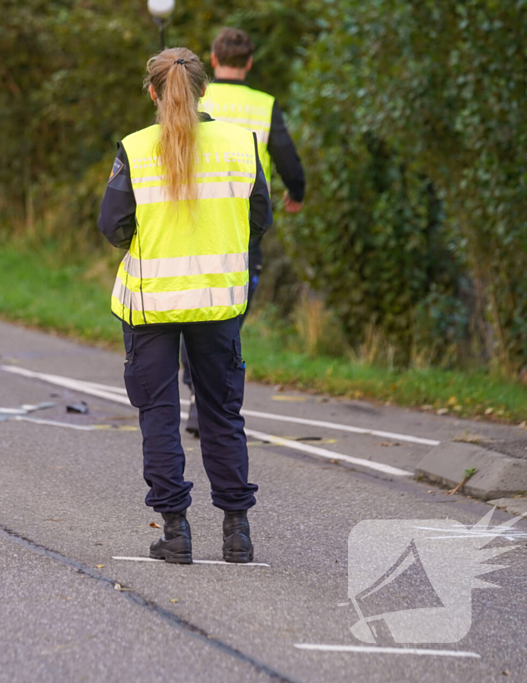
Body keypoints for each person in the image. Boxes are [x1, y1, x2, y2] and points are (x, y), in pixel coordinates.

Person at [97, 47, 272, 564]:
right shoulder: (242, 145)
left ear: (153, 91)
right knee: (221, 413)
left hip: (152, 306)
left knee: (159, 414)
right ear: (203, 89)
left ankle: (175, 532)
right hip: (219, 302)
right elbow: (258, 219)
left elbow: (113, 227)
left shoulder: (135, 147)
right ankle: (237, 532)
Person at [183, 27, 307, 438]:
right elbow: (287, 157)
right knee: (233, 305)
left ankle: (196, 393)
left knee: (193, 297)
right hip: (244, 221)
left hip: (198, 215)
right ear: (249, 63)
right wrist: (297, 192)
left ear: (214, 60)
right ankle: (211, 397)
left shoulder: (201, 96)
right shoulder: (264, 105)